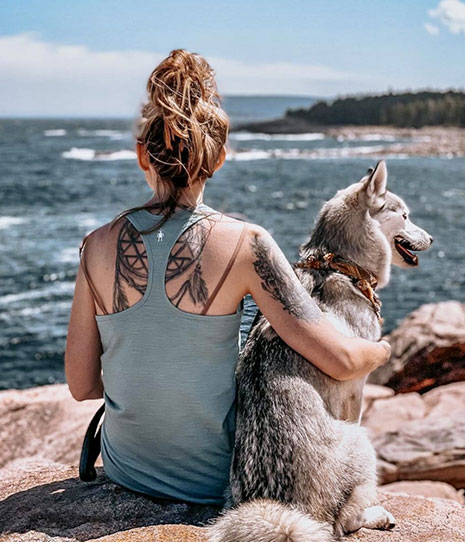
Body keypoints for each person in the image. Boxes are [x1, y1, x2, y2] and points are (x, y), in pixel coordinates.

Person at [65, 49, 391, 506]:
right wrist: (380, 349)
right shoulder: (246, 243)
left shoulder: (94, 246)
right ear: (219, 157)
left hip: (127, 473)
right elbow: (338, 360)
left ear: (142, 154)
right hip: (216, 484)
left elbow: (82, 385)